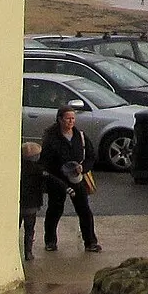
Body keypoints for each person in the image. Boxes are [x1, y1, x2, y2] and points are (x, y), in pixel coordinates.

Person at [38, 101, 102, 253]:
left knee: (84, 210)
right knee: (55, 209)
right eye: (68, 119)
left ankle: (90, 242)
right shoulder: (51, 138)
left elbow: (90, 157)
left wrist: (83, 168)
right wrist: (53, 176)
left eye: (73, 119)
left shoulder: (80, 136)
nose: (71, 122)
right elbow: (45, 161)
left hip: (76, 178)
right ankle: (50, 241)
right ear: (60, 119)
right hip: (57, 179)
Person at [20, 139, 45, 260]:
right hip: (32, 205)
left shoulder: (18, 168)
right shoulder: (38, 169)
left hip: (19, 204)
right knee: (29, 230)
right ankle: (28, 252)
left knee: (16, 228)